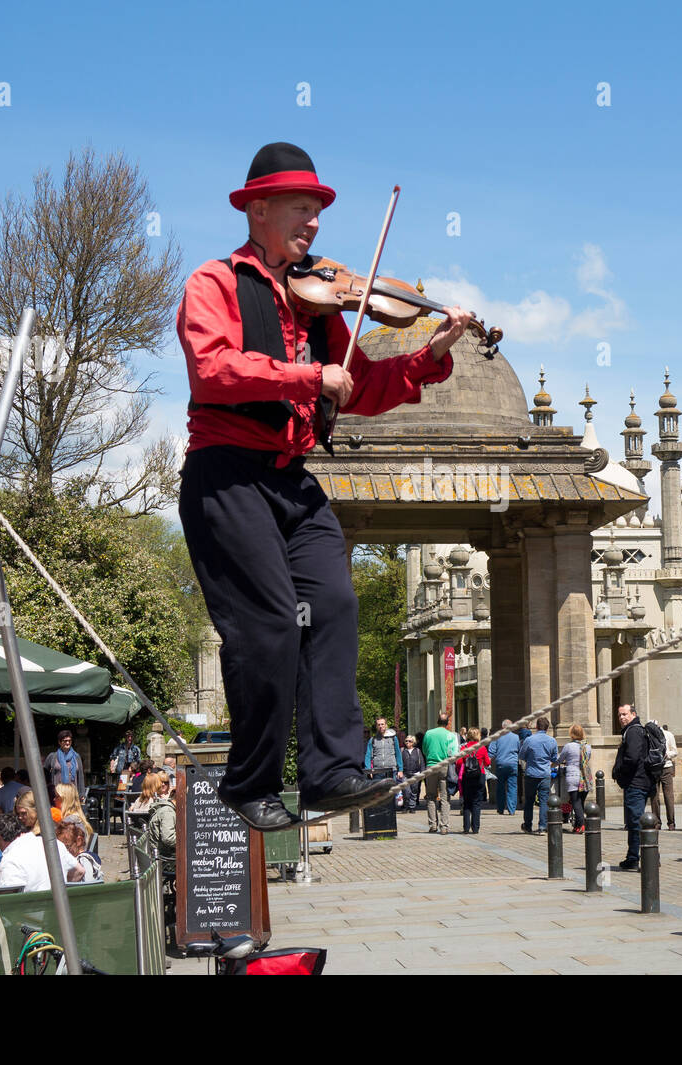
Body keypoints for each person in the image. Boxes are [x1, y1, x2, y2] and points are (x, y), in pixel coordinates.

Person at [176, 141, 472, 832]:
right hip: (226, 470)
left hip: (291, 476)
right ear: (257, 210)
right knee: (271, 623)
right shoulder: (213, 284)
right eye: (300, 209)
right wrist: (309, 378)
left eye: (318, 211)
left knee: (334, 602)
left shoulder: (318, 304)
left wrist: (429, 355)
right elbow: (213, 370)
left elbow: (360, 384)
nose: (313, 224)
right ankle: (250, 782)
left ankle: (330, 772)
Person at [0, 812, 80, 891]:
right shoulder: (54, 844)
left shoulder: (10, 858)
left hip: (32, 907)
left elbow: (9, 894)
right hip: (59, 906)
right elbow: (79, 871)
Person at [612, 704, 653, 871]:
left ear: (633, 714)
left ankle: (646, 857)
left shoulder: (634, 731)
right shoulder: (633, 730)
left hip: (636, 783)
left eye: (625, 714)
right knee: (634, 822)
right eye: (620, 714)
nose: (622, 717)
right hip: (638, 782)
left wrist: (620, 772)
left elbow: (633, 758)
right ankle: (633, 856)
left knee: (636, 822)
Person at [519, 717, 558, 835]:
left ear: (536, 726)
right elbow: (554, 758)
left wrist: (531, 759)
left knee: (529, 800)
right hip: (545, 774)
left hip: (531, 773)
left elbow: (521, 755)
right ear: (547, 727)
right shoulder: (552, 741)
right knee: (544, 801)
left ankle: (528, 825)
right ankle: (542, 827)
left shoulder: (529, 740)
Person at [422, 712, 458, 834]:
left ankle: (432, 824)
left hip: (431, 766)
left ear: (437, 722)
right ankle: (444, 826)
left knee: (431, 796)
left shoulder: (429, 733)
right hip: (445, 767)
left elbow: (425, 749)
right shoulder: (451, 735)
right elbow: (454, 753)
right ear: (448, 723)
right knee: (444, 797)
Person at [557, 724, 592, 833]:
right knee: (580, 802)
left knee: (575, 802)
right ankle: (577, 825)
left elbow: (560, 759)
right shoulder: (588, 746)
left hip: (573, 776)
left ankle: (581, 825)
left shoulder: (569, 746)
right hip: (585, 778)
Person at [646, 719, 678, 831]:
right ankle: (671, 823)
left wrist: (664, 755)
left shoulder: (648, 735)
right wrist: (667, 755)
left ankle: (659, 823)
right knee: (665, 796)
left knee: (657, 796)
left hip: (659, 768)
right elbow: (675, 752)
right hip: (664, 767)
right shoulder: (668, 734)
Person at [457, 728, 490, 834]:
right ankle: (475, 828)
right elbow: (487, 762)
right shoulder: (482, 748)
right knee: (476, 803)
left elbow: (458, 763)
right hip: (479, 776)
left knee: (467, 803)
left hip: (467, 777)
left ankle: (466, 828)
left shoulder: (464, 748)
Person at [488, 719, 521, 816]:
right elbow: (520, 750)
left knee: (500, 787)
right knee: (513, 787)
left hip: (501, 764)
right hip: (512, 764)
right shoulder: (516, 737)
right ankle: (511, 809)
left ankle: (500, 808)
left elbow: (491, 752)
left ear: (503, 727)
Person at [56, 818, 103, 882]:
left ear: (79, 841)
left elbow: (88, 885)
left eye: (66, 847)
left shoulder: (84, 860)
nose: (63, 852)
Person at [144, 774, 176, 864]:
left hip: (159, 854)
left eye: (166, 783)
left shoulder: (165, 808)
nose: (163, 785)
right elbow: (168, 838)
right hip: (166, 859)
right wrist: (188, 840)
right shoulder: (168, 812)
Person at [43, 730, 85, 799]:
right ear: (59, 742)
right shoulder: (53, 756)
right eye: (65, 741)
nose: (67, 743)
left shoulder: (77, 757)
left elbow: (80, 776)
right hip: (57, 794)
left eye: (69, 741)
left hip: (72, 794)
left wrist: (82, 793)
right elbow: (44, 774)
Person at [363, 718, 404, 783]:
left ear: (386, 725)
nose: (380, 726)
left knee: (391, 792)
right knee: (378, 792)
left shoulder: (393, 738)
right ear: (376, 726)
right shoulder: (372, 740)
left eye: (382, 724)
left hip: (391, 771)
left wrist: (400, 770)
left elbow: (398, 754)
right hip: (377, 772)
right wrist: (369, 770)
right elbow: (368, 756)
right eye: (378, 725)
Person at [400, 735, 424, 812]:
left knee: (414, 791)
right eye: (406, 741)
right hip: (405, 774)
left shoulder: (417, 751)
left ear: (413, 742)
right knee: (406, 791)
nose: (407, 742)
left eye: (410, 741)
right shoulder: (402, 750)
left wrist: (422, 772)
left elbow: (422, 762)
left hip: (415, 773)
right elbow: (399, 762)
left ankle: (412, 807)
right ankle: (405, 805)